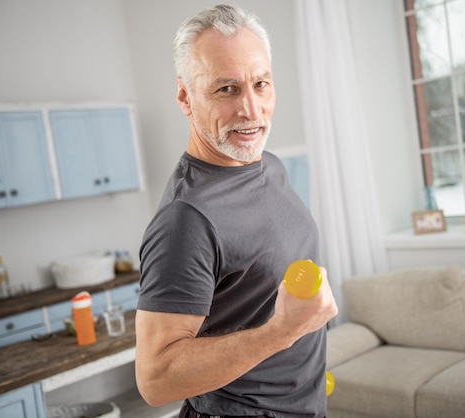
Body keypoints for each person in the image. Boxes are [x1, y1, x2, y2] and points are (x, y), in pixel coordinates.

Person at [136, 4, 338, 417]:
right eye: (226, 89)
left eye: (261, 84)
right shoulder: (186, 218)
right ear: (185, 97)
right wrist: (283, 332)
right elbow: (155, 379)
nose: (251, 109)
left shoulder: (270, 166)